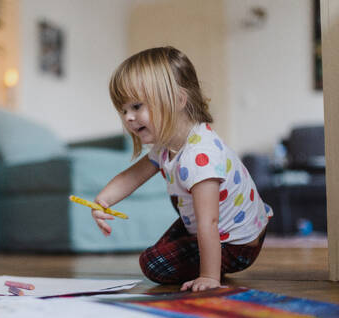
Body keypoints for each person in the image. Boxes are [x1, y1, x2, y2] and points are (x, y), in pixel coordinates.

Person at [91, 46, 273, 292]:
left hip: (236, 244)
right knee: (160, 252)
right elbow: (133, 175)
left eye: (136, 106)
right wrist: (103, 200)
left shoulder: (200, 155)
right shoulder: (168, 145)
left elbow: (209, 222)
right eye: (123, 110)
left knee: (152, 264)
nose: (128, 118)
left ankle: (214, 267)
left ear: (178, 100)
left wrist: (209, 277)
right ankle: (205, 261)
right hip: (208, 226)